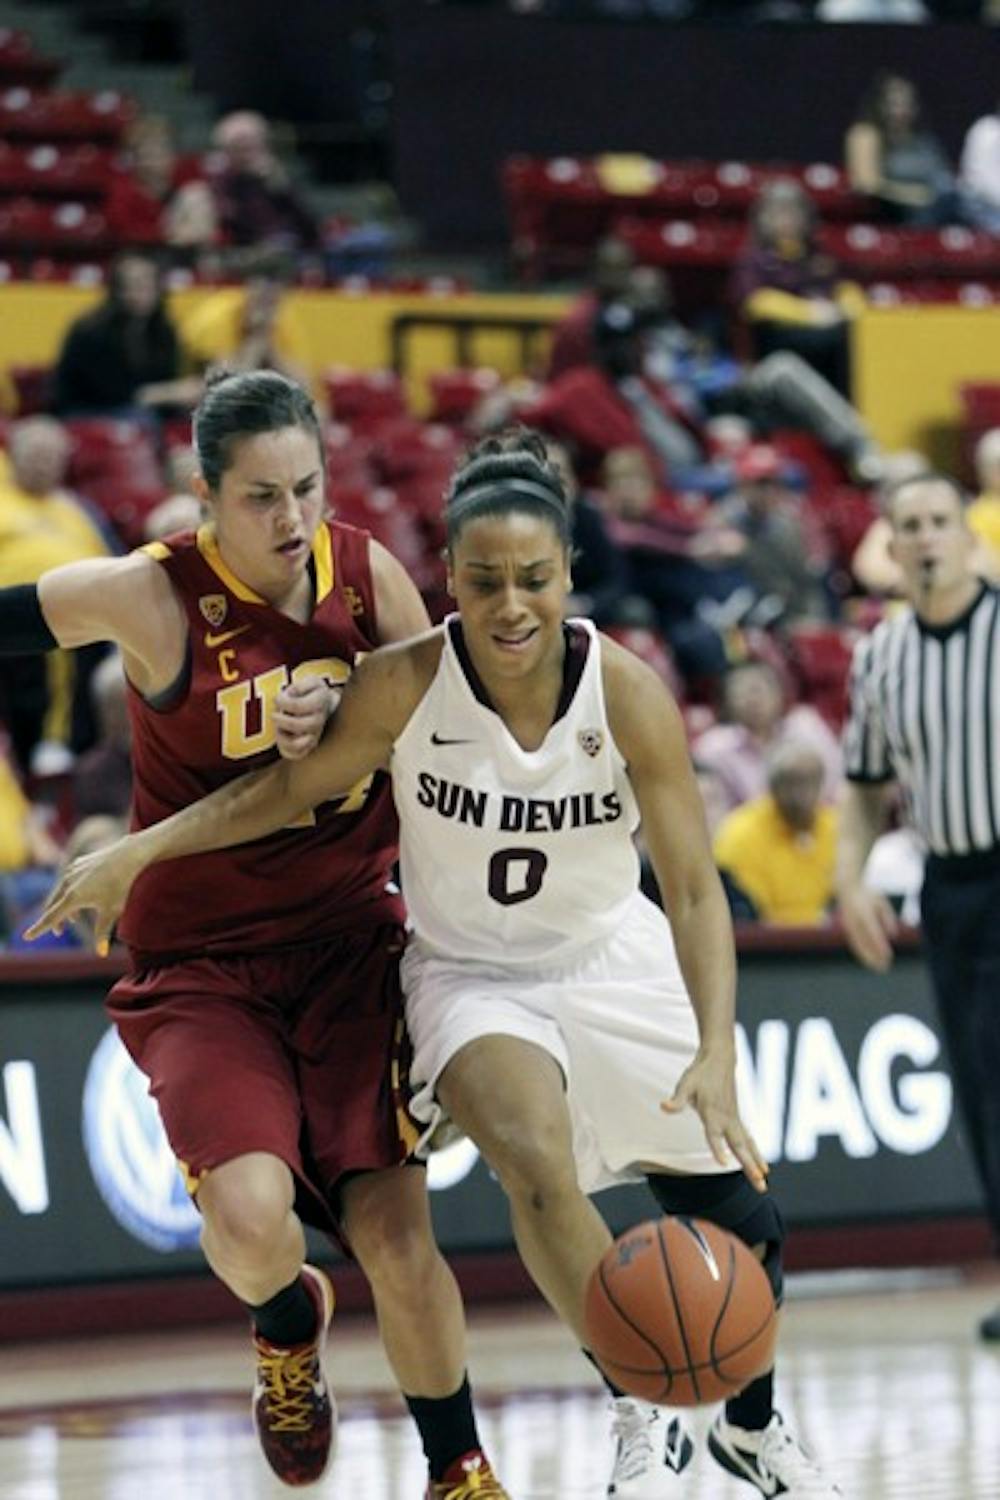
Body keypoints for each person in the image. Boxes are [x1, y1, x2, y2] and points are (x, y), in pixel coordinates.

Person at [34, 428, 844, 1499]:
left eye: (535, 581)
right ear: (448, 579)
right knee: (532, 1160)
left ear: (569, 575)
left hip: (611, 954)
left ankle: (752, 1426)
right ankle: (636, 1410)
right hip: (473, 975)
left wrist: (714, 1050)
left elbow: (692, 890)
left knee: (745, 1222)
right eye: (486, 581)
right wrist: (136, 852)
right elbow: (278, 793)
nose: (511, 607)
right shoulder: (408, 682)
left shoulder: (629, 690)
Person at [1, 370, 505, 1498]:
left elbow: (446, 736)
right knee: (249, 1219)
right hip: (202, 966)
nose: (291, 521)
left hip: (347, 944)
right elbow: (14, 618)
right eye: (261, 498)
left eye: (307, 490)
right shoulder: (154, 596)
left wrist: (352, 714)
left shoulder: (366, 573)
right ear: (203, 498)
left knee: (395, 1231)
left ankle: (458, 1468)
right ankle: (287, 1322)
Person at [836, 472, 1000, 1343]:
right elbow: (864, 790)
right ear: (891, 551)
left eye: (941, 521)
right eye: (911, 526)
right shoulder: (880, 657)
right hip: (951, 885)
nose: (928, 538)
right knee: (981, 1089)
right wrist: (851, 877)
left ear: (969, 538)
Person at [0, 416, 115, 776]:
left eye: (51, 456)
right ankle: (49, 743)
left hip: (87, 611)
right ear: (13, 455)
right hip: (16, 611)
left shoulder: (76, 508)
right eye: (34, 454)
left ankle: (83, 752)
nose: (42, 463)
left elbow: (113, 556)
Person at [52, 252, 202, 419]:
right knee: (141, 418)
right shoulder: (91, 332)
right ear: (117, 290)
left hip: (141, 409)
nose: (141, 293)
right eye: (133, 285)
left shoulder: (163, 331)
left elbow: (166, 378)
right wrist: (168, 393)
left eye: (149, 285)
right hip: (88, 409)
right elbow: (111, 394)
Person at [713, 741, 839, 925]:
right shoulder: (740, 833)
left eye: (811, 780)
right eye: (793, 781)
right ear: (772, 784)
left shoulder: (836, 828)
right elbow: (749, 910)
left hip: (830, 940)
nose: (803, 792)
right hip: (768, 945)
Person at [845, 72, 966, 227]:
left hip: (941, 210)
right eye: (894, 104)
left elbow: (945, 179)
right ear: (880, 105)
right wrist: (917, 196)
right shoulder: (865, 134)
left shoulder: (926, 142)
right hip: (892, 214)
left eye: (907, 104)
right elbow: (867, 186)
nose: (901, 111)